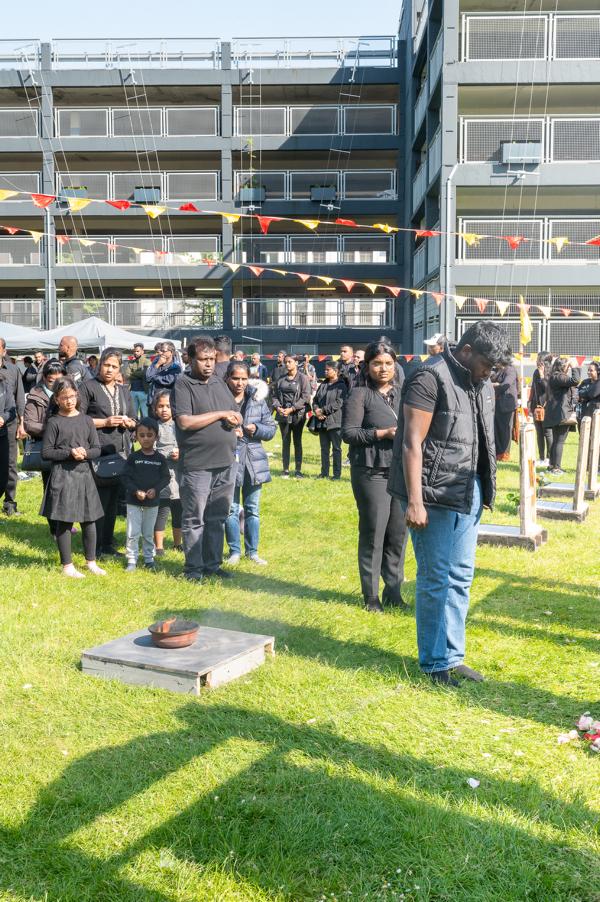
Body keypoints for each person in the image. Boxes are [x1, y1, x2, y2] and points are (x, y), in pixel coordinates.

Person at [388, 321, 512, 685]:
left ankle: (453, 656)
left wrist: (485, 488)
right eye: (487, 365)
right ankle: (433, 662)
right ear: (467, 351)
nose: (490, 373)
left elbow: (482, 441)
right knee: (435, 578)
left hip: (468, 493)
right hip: (432, 496)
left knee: (460, 578)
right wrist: (415, 501)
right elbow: (412, 442)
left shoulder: (481, 383)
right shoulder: (429, 377)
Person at [342, 340, 408, 613]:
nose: (383, 369)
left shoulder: (404, 393)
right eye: (377, 363)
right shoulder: (359, 394)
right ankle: (371, 596)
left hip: (401, 470)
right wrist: (382, 434)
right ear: (367, 366)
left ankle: (394, 592)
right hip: (371, 471)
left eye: (388, 363)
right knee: (374, 532)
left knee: (398, 534)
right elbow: (349, 433)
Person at [172, 336, 241, 582]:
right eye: (203, 359)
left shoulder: (219, 382)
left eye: (212, 359)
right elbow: (185, 422)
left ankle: (213, 565)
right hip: (197, 464)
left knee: (217, 517)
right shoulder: (183, 384)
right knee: (194, 518)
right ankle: (193, 569)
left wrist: (234, 419)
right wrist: (221, 414)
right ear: (191, 360)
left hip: (226, 461)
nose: (209, 364)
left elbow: (235, 412)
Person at [40, 377, 105, 579]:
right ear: (56, 399)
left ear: (77, 395)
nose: (69, 401)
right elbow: (46, 453)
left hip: (84, 474)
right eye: (64, 397)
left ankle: (91, 562)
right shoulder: (54, 422)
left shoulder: (86, 420)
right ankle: (67, 565)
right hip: (63, 476)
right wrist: (69, 453)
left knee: (89, 520)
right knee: (65, 521)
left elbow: (97, 449)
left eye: (72, 396)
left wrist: (85, 453)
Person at [79, 347, 136, 558]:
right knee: (99, 500)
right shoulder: (88, 387)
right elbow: (78, 419)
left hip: (121, 451)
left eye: (114, 366)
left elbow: (134, 418)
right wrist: (105, 422)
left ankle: (107, 544)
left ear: (120, 368)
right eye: (106, 365)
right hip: (98, 450)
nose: (110, 369)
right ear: (100, 364)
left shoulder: (123, 390)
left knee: (113, 501)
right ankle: (94, 547)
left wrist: (130, 422)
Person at [224, 362, 276, 566]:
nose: (240, 383)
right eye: (236, 378)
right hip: (229, 458)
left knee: (252, 508)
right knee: (231, 509)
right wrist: (229, 432)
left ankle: (252, 552)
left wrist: (256, 429)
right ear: (228, 378)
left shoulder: (257, 399)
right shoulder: (221, 398)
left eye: (244, 379)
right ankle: (234, 551)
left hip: (254, 460)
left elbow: (271, 429)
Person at [23, 359, 66, 535]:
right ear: (45, 378)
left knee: (67, 488)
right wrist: (53, 430)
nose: (55, 383)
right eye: (51, 380)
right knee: (51, 489)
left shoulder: (70, 392)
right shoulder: (35, 394)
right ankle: (54, 528)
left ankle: (65, 524)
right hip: (48, 448)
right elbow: (29, 424)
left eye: (59, 379)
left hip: (68, 447)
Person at [123, 418, 170, 572]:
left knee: (148, 532)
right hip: (133, 501)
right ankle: (132, 559)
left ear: (156, 436)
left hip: (152, 502)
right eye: (142, 435)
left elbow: (166, 478)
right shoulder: (133, 457)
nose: (146, 439)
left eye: (150, 435)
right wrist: (135, 491)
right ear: (136, 436)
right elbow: (125, 477)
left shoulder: (160, 459)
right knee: (133, 532)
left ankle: (149, 559)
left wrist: (155, 490)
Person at [152, 389, 183, 555]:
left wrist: (181, 454)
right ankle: (159, 546)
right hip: (161, 477)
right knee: (162, 512)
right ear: (155, 408)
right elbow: (149, 449)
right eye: (161, 406)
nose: (164, 409)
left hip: (179, 476)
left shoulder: (181, 426)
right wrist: (165, 456)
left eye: (168, 406)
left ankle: (178, 543)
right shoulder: (153, 427)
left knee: (179, 511)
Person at [271, 353, 311, 478]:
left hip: (298, 415)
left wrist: (292, 409)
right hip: (283, 414)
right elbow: (274, 396)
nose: (287, 364)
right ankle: (285, 469)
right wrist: (278, 407)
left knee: (297, 441)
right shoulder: (281, 379)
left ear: (296, 363)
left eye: (289, 362)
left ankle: (298, 470)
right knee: (285, 441)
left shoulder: (303, 378)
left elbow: (305, 397)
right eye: (286, 362)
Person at [0, 337, 25, 517]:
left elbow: (19, 397)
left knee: (10, 463)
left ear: (4, 351)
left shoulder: (13, 370)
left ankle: (9, 502)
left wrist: (22, 423)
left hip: (9, 422)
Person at [545, 358, 581, 476]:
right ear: (562, 366)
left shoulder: (554, 376)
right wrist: (574, 366)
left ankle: (552, 465)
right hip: (560, 414)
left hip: (556, 413)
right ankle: (556, 468)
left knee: (556, 441)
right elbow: (575, 380)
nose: (568, 368)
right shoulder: (558, 376)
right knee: (559, 441)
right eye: (566, 366)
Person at [312, 360, 347, 480]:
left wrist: (323, 410)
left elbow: (339, 402)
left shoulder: (341, 385)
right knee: (324, 449)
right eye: (325, 369)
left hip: (335, 421)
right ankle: (324, 473)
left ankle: (336, 475)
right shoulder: (323, 384)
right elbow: (315, 400)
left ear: (336, 371)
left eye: (328, 369)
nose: (325, 371)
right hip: (322, 421)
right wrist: (316, 410)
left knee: (336, 449)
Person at [528, 351, 554, 465]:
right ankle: (541, 457)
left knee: (547, 432)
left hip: (547, 407)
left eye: (539, 360)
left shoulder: (552, 372)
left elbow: (548, 390)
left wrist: (543, 376)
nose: (537, 362)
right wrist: (530, 403)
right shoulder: (535, 372)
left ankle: (549, 458)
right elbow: (533, 389)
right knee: (539, 433)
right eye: (537, 359)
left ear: (545, 362)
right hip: (536, 406)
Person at [491, 361, 519, 461]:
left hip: (507, 405)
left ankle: (504, 454)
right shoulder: (497, 370)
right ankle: (498, 453)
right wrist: (495, 384)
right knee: (497, 429)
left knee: (506, 430)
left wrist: (494, 386)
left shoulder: (510, 369)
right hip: (497, 403)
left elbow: (505, 385)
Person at [0, 361, 17, 504]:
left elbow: (11, 409)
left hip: (2, 435)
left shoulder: (4, 384)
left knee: (4, 475)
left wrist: (3, 418)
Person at [123, 343, 150, 418]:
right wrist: (138, 374)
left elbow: (145, 374)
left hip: (143, 391)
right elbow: (127, 374)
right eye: (134, 351)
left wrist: (133, 374)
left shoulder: (147, 361)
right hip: (132, 391)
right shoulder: (131, 362)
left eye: (138, 351)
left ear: (142, 351)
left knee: (145, 414)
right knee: (133, 414)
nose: (135, 353)